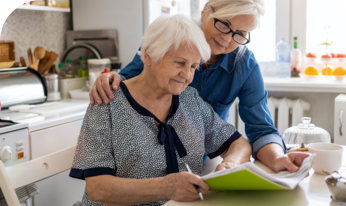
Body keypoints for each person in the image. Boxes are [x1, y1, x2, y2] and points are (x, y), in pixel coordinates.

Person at [89, 0, 310, 174]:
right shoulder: (169, 38)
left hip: (194, 164)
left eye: (240, 34)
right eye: (224, 24)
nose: (227, 38)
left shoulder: (244, 64)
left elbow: (261, 130)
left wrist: (279, 158)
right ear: (206, 11)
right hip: (142, 163)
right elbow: (128, 83)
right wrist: (109, 79)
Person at [70, 14, 252, 206]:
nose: (187, 75)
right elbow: (98, 188)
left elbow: (240, 144)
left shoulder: (190, 100)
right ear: (148, 55)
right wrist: (166, 187)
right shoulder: (106, 102)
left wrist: (230, 164)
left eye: (193, 66)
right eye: (179, 63)